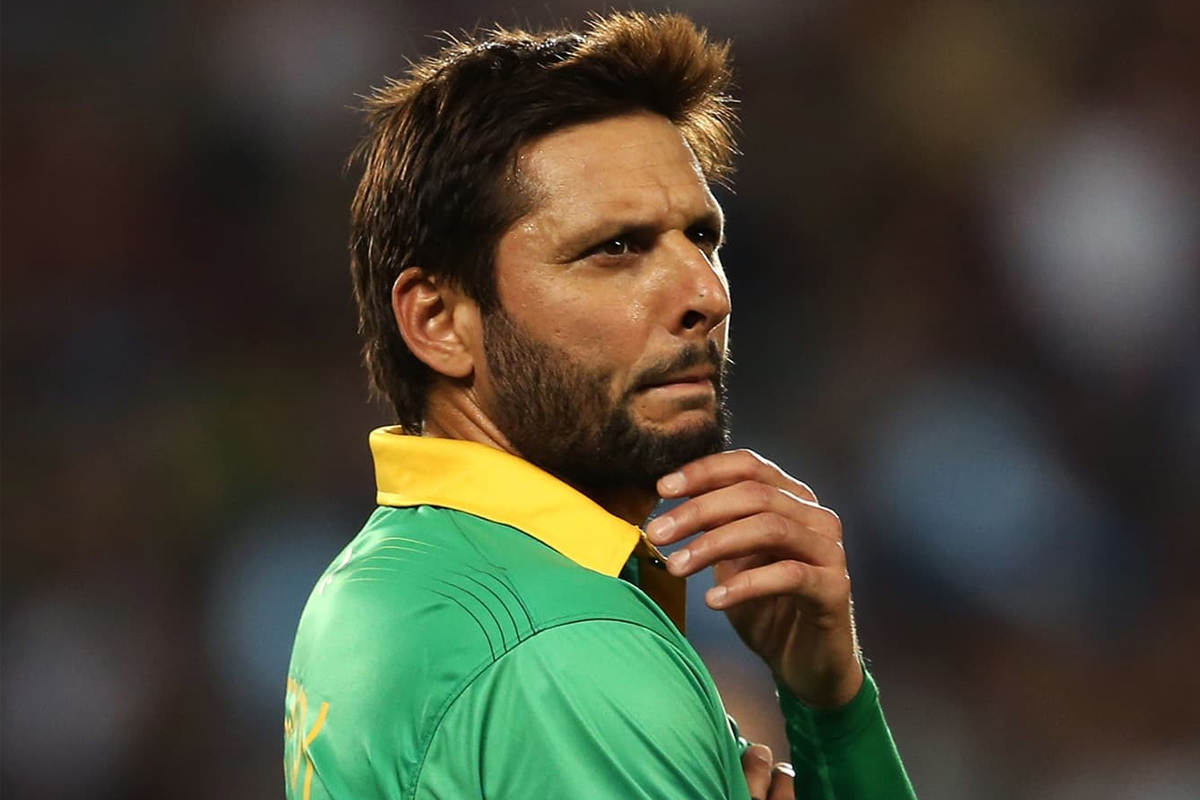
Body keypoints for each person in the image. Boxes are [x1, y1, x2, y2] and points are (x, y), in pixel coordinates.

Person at [284, 11, 916, 800]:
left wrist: (831, 708)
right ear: (439, 321)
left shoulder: (383, 579)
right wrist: (840, 732)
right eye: (616, 248)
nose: (707, 293)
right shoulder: (567, 650)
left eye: (703, 238)